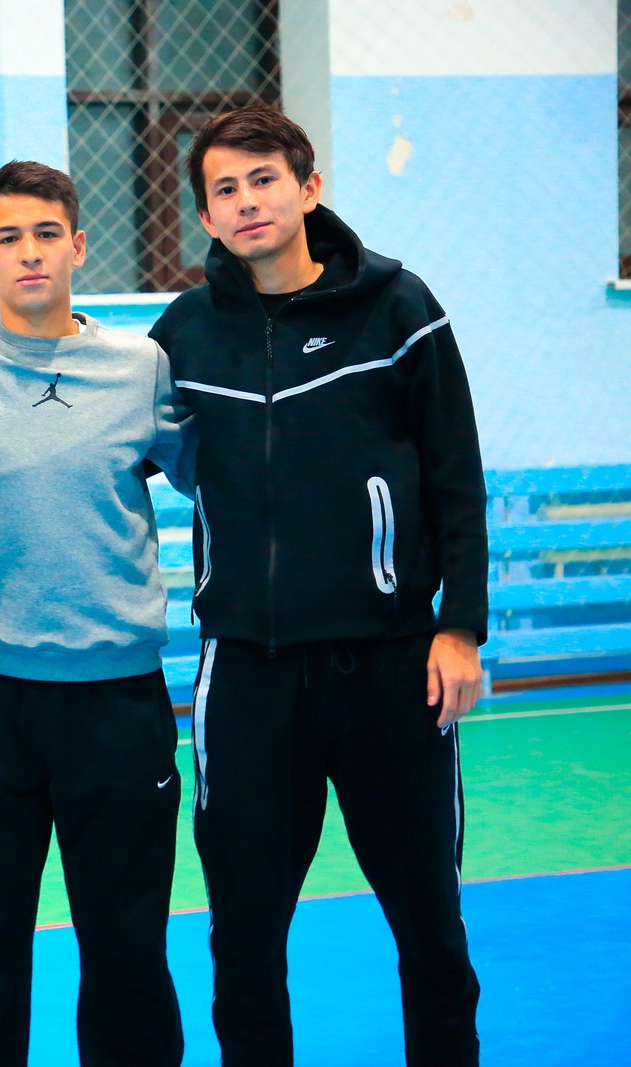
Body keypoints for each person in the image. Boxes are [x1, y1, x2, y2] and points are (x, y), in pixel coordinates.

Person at [148, 104, 485, 1066]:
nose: (247, 201)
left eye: (264, 179)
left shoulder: (399, 307)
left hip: (390, 668)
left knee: (432, 927)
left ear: (308, 187)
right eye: (225, 189)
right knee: (244, 941)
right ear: (205, 216)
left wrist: (460, 625)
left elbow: (455, 472)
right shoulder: (183, 334)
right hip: (246, 678)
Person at [0, 160, 189, 1066]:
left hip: (117, 703)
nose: (28, 252)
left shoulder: (142, 366)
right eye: (8, 238)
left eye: (45, 234)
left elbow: (211, 472)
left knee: (127, 949)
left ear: (77, 245)